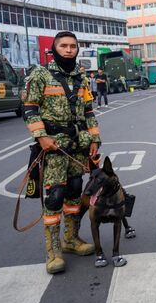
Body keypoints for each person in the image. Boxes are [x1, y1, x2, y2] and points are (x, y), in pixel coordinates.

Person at [22, 31, 100, 274]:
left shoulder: (81, 77)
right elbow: (29, 108)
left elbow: (88, 111)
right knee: (55, 197)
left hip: (77, 145)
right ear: (54, 49)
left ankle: (71, 239)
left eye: (73, 46)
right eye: (64, 46)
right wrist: (41, 136)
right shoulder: (40, 75)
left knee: (75, 192)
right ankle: (53, 250)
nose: (69, 50)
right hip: (53, 146)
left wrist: (95, 139)